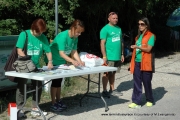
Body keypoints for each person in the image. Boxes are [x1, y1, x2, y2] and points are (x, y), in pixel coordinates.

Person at [15, 18, 53, 118]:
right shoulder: (24, 34)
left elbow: (48, 51)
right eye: (38, 32)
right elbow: (19, 50)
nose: (40, 34)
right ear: (33, 28)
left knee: (38, 85)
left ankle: (35, 108)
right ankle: (19, 109)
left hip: (35, 66)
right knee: (21, 86)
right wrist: (27, 62)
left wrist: (50, 61)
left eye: (41, 32)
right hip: (24, 65)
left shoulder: (43, 37)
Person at [48, 19, 85, 112]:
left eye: (81, 32)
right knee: (55, 82)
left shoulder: (75, 37)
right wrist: (72, 61)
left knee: (59, 81)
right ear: (73, 28)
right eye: (78, 32)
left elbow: (74, 51)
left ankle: (58, 100)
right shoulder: (63, 36)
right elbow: (62, 53)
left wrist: (80, 61)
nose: (79, 34)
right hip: (54, 60)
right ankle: (53, 103)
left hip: (62, 62)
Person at [128, 17, 155, 108]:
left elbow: (148, 49)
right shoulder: (138, 37)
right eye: (139, 24)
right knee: (136, 83)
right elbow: (135, 52)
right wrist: (131, 62)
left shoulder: (151, 36)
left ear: (146, 25)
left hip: (146, 63)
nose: (140, 26)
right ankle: (136, 101)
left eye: (142, 24)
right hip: (137, 62)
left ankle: (149, 99)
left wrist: (138, 47)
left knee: (146, 82)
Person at [100, 12, 124, 98]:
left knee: (113, 73)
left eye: (116, 18)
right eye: (113, 18)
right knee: (106, 73)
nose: (115, 20)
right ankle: (104, 90)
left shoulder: (119, 29)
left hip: (117, 56)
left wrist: (122, 54)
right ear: (109, 19)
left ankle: (112, 89)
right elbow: (102, 43)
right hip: (109, 56)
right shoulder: (105, 29)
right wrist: (104, 56)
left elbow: (121, 42)